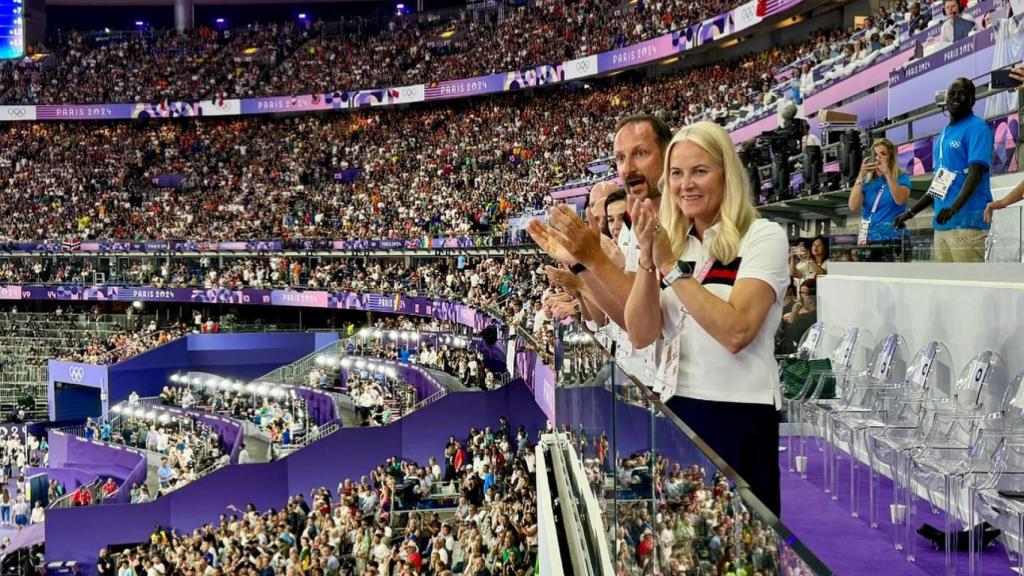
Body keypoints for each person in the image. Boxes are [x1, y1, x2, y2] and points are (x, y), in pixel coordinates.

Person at [624, 121, 789, 515]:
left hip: (738, 413)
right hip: (677, 408)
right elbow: (642, 332)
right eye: (676, 174)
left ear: (726, 174)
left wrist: (670, 266)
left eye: (700, 171)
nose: (686, 185)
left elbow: (737, 331)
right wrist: (649, 260)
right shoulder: (676, 244)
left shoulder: (762, 237)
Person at [894, 78, 993, 262]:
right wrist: (910, 212)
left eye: (962, 93)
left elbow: (976, 173)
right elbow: (938, 186)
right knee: (948, 288)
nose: (956, 97)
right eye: (952, 94)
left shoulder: (977, 128)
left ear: (972, 100)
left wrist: (954, 207)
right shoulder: (943, 135)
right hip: (942, 225)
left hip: (968, 223)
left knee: (969, 286)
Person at [848, 138, 911, 260]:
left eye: (883, 154)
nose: (878, 158)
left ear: (891, 158)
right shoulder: (867, 181)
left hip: (893, 238)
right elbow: (853, 206)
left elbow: (900, 200)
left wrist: (887, 174)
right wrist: (861, 175)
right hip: (868, 237)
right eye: (875, 154)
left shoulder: (901, 177)